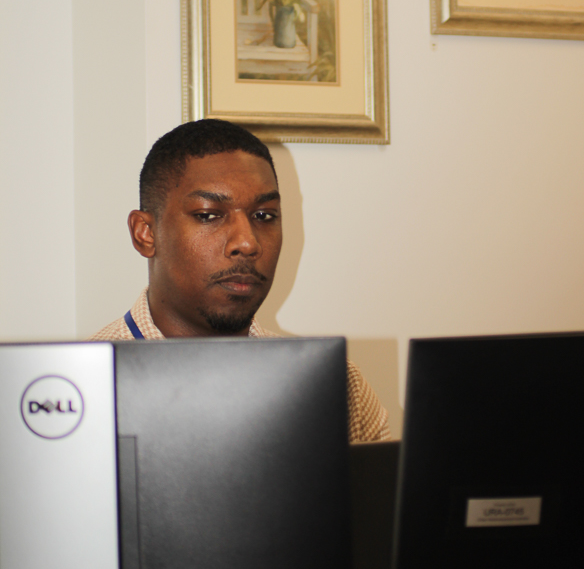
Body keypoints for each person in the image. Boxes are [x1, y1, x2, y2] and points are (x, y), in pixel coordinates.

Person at [91, 118, 390, 442]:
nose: (247, 243)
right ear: (146, 233)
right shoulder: (83, 393)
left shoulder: (337, 385)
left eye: (264, 216)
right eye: (208, 215)